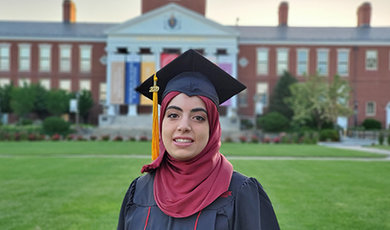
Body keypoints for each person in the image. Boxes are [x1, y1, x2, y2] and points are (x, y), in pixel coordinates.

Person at [117, 49, 280, 230]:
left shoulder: (240, 193)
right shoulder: (139, 191)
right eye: (173, 115)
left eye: (198, 118)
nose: (183, 126)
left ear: (213, 127)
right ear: (161, 121)